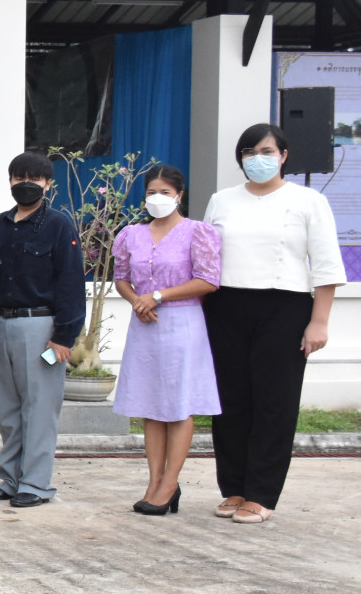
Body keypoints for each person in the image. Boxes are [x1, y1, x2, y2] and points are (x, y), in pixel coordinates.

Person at [202, 124, 343, 525]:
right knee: (229, 401)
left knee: (274, 402)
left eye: (266, 151)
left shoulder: (308, 201)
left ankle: (261, 494)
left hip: (285, 306)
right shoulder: (221, 200)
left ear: (283, 156)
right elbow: (207, 259)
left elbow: (327, 266)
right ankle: (233, 487)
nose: (256, 159)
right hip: (225, 305)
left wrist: (319, 321)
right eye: (248, 152)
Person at [113, 165, 220, 516]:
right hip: (145, 323)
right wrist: (137, 301)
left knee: (178, 404)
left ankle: (170, 482)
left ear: (179, 195)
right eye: (151, 192)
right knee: (150, 406)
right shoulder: (132, 233)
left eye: (164, 192)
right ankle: (154, 480)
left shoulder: (197, 232)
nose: (156, 199)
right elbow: (123, 278)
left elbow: (207, 280)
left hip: (181, 322)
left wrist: (158, 295)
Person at [0, 152, 84, 509]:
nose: (25, 184)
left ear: (47, 184)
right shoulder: (0, 224)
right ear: (9, 181)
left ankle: (36, 485)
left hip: (40, 326)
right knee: (8, 408)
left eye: (34, 179)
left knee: (39, 409)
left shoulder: (58, 225)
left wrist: (65, 337)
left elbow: (71, 282)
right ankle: (9, 480)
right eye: (18, 177)